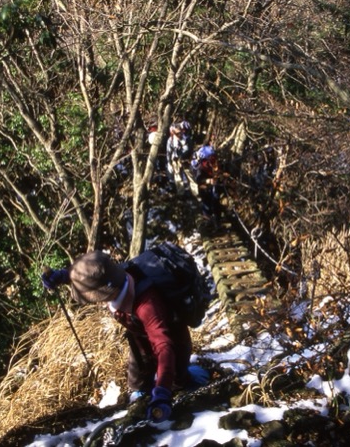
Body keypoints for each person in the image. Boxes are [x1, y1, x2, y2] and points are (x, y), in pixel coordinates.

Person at [40, 251, 209, 423]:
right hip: (140, 336)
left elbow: (164, 346)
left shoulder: (147, 306)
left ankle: (190, 378)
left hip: (172, 337)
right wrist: (63, 276)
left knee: (178, 382)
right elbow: (93, 272)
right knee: (138, 386)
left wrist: (163, 393)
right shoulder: (117, 279)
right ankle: (145, 394)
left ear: (104, 293)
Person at [191, 144, 224, 225]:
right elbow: (197, 181)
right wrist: (208, 181)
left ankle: (218, 219)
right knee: (205, 198)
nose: (213, 162)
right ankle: (207, 217)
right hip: (202, 185)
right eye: (211, 160)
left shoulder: (211, 161)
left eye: (214, 159)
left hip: (212, 182)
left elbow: (216, 169)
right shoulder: (197, 167)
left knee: (215, 197)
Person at [166, 123, 191, 192]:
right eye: (176, 133)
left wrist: (182, 149)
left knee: (189, 176)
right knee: (178, 177)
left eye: (179, 132)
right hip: (175, 160)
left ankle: (192, 192)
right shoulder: (170, 141)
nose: (179, 134)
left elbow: (187, 149)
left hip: (185, 159)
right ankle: (181, 193)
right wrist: (169, 163)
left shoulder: (185, 138)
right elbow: (168, 152)